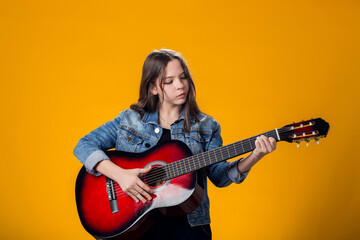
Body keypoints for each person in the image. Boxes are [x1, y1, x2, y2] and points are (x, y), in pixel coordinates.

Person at [73, 49, 276, 240]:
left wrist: (255, 155)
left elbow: (221, 177)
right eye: (169, 81)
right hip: (134, 226)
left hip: (188, 229)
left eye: (183, 77)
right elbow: (84, 145)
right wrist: (122, 176)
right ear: (153, 88)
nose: (180, 85)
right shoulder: (130, 119)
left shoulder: (207, 126)